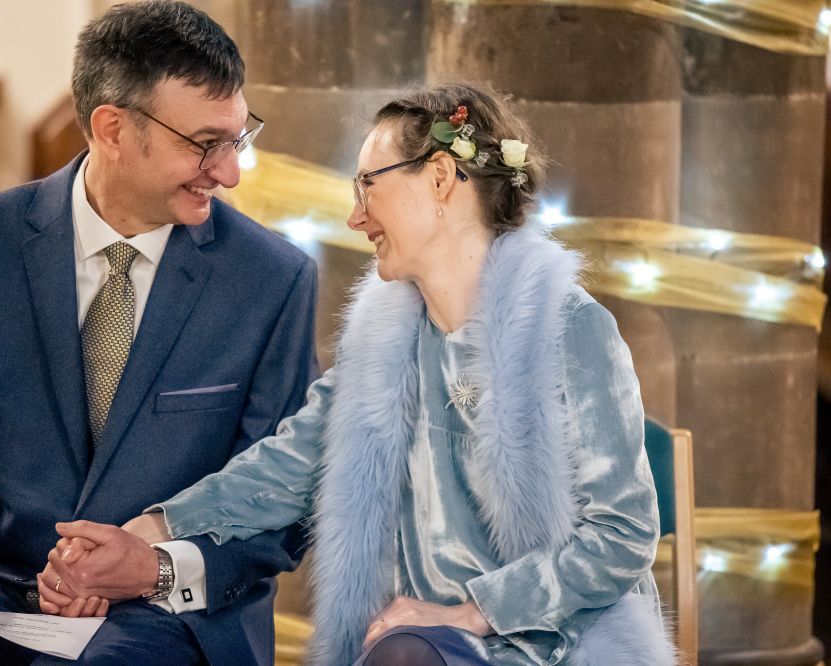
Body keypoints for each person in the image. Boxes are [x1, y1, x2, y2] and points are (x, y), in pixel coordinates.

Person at [41, 83, 675, 665]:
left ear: (440, 178)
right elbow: (285, 468)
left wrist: (472, 612)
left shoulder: (569, 327)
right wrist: (145, 531)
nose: (356, 217)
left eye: (368, 184)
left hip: (553, 640)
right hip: (419, 645)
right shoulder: (381, 345)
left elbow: (622, 535)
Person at [0, 2, 317, 664]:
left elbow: (286, 502)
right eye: (203, 143)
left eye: (236, 137)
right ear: (111, 128)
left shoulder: (273, 280)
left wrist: (156, 566)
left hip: (165, 619)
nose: (229, 172)